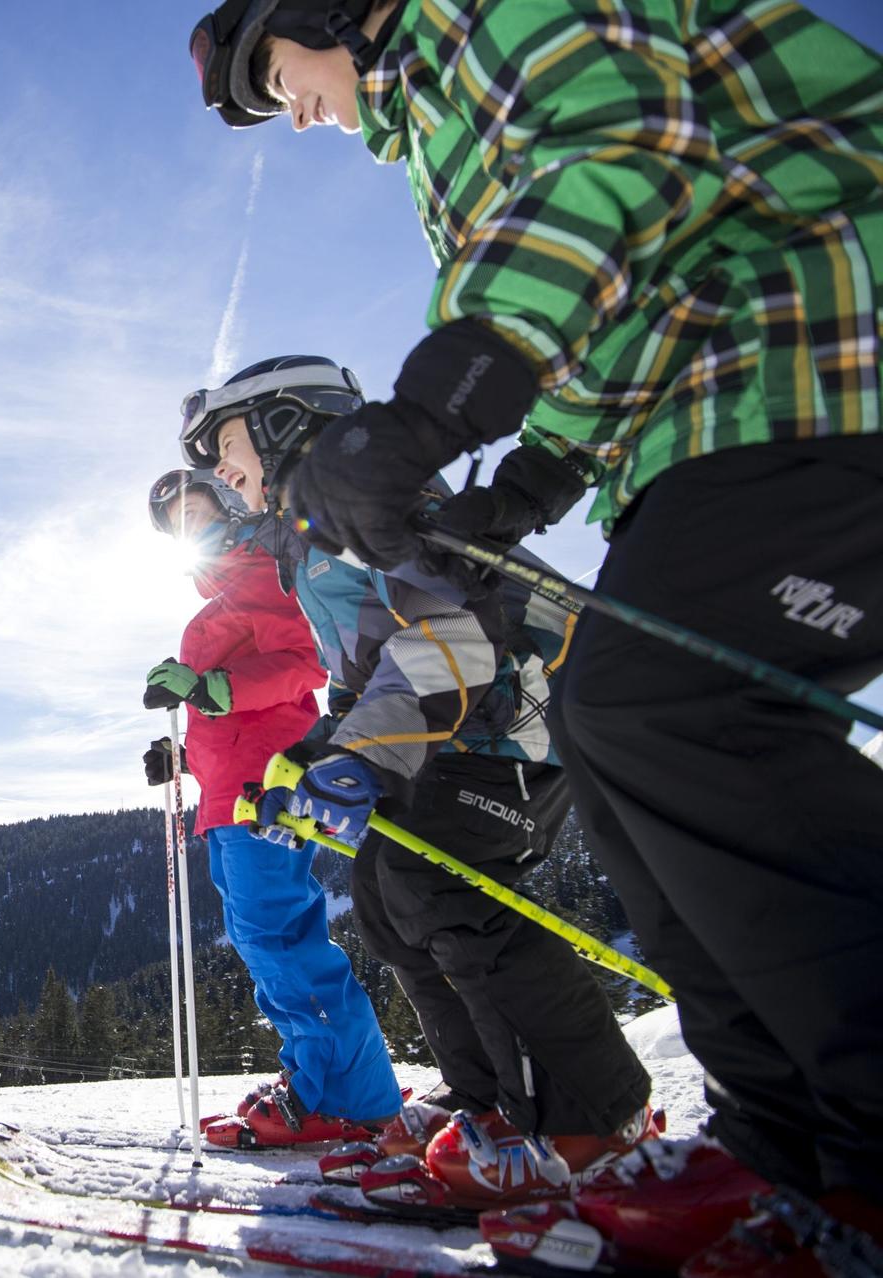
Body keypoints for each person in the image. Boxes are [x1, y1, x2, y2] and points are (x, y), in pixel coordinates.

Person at [188, 0, 883, 1269]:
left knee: (669, 718)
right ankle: (792, 1155)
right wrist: (533, 482)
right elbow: (648, 293)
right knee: (621, 734)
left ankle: (803, 1145)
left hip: (828, 353)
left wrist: (432, 412)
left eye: (277, 73)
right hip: (716, 403)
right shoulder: (443, 131)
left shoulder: (488, 20)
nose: (293, 109)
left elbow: (606, 163)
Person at [177, 357, 655, 1210]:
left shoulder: (365, 494)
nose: (217, 468)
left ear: (287, 421)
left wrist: (358, 756)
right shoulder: (308, 531)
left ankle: (593, 1117)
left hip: (522, 716)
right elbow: (367, 676)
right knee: (391, 901)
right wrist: (320, 753)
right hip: (451, 730)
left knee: (440, 887)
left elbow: (456, 637)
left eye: (224, 442)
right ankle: (488, 1104)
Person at [140, 468, 401, 1146]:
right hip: (230, 796)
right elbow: (229, 719)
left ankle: (342, 1098)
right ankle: (325, 1080)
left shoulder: (263, 572)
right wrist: (183, 758)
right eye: (177, 526)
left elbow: (304, 663)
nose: (188, 529)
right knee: (266, 943)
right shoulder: (216, 601)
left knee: (280, 940)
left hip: (267, 793)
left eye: (196, 511)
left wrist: (211, 686)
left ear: (229, 505)